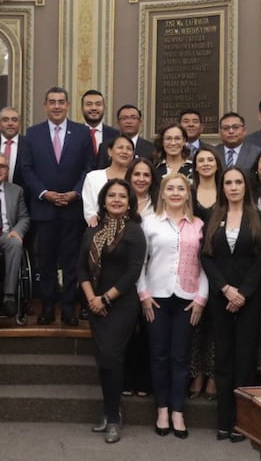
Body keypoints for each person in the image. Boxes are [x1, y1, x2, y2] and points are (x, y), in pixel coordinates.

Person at [138, 174, 208, 439]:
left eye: (181, 188)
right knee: (159, 355)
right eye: (171, 188)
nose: (176, 192)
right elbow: (140, 263)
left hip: (187, 300)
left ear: (188, 194)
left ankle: (178, 410)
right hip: (156, 297)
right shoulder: (149, 223)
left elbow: (205, 266)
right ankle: (162, 409)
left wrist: (201, 298)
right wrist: (143, 294)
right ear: (163, 193)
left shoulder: (199, 225)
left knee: (180, 357)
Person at [201, 166, 261, 443]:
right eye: (228, 182)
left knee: (245, 361)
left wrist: (243, 293)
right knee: (224, 359)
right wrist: (226, 289)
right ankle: (224, 421)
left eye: (238, 182)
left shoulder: (259, 218)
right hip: (220, 298)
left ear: (246, 186)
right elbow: (206, 256)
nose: (233, 187)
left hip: (249, 299)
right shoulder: (212, 216)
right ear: (222, 187)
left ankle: (242, 422)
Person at [78, 179, 146, 444]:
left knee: (111, 358)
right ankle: (110, 411)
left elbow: (133, 273)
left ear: (129, 202)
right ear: (104, 200)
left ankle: (114, 419)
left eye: (122, 196)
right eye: (111, 195)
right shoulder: (92, 231)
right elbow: (81, 268)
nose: (116, 200)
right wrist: (92, 299)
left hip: (121, 305)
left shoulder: (134, 231)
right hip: (95, 303)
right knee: (104, 361)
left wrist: (105, 299)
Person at [22, 86, 96, 326]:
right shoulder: (32, 134)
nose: (56, 106)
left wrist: (75, 193)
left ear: (67, 105)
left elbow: (89, 168)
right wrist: (45, 193)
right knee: (46, 262)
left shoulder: (82, 133)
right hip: (44, 210)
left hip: (72, 209)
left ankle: (68, 309)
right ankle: (48, 307)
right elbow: (27, 169)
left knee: (71, 261)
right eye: (52, 102)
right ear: (45, 105)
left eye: (61, 102)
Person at [0, 151, 30, 318]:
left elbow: (24, 217)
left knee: (16, 243)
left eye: (2, 166)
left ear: (7, 170)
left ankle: (9, 297)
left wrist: (17, 231)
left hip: (6, 236)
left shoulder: (16, 191)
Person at [122, 157, 157, 397]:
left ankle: (144, 380)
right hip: (123, 274)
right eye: (137, 174)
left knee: (147, 329)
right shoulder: (120, 201)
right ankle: (126, 379)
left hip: (152, 274)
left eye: (146, 175)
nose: (141, 179)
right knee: (125, 330)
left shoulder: (161, 203)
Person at [189, 146, 221, 400]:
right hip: (191, 263)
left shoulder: (226, 190)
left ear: (217, 164)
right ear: (195, 166)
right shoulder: (188, 192)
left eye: (211, 159)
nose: (207, 163)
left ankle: (212, 376)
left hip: (221, 263)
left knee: (216, 323)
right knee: (196, 323)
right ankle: (196, 373)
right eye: (202, 160)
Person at [83, 135, 135, 226]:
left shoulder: (136, 179)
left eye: (129, 149)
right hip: (99, 228)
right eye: (120, 147)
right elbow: (89, 209)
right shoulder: (93, 177)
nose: (124, 151)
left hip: (131, 228)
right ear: (110, 152)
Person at [0, 106, 26, 187]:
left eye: (14, 120)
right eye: (5, 120)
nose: (10, 123)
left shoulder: (29, 145)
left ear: (20, 124)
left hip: (23, 196)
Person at [81, 89, 119, 159]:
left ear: (104, 108)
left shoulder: (115, 135)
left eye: (98, 104)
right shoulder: (75, 134)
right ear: (82, 108)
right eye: (89, 104)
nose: (94, 108)